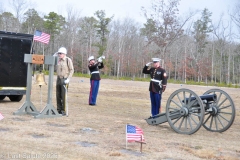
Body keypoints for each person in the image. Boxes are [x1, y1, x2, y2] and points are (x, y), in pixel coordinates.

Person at [56, 47, 74, 115]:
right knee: (58, 95)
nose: (59, 54)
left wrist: (68, 79)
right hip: (59, 78)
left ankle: (63, 110)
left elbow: (72, 70)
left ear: (64, 54)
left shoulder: (67, 60)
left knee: (63, 95)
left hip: (64, 78)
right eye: (59, 53)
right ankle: (59, 109)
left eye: (60, 53)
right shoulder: (58, 60)